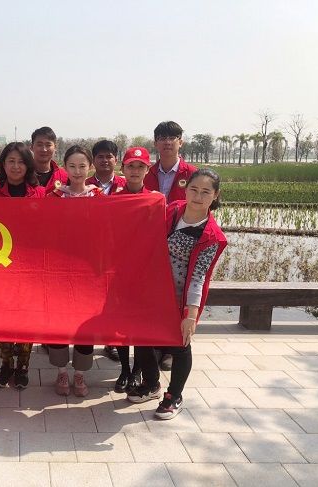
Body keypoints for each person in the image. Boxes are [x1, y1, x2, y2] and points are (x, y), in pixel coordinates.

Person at [127, 169, 227, 419]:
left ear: (215, 196)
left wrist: (190, 315)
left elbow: (199, 277)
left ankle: (174, 395)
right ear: (185, 189)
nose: (198, 196)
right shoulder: (172, 210)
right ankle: (151, 384)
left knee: (180, 345)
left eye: (205, 192)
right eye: (194, 189)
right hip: (150, 292)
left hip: (177, 299)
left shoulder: (210, 236)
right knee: (142, 338)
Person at [0, 142, 44, 388]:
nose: (16, 166)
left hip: (30, 267)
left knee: (26, 318)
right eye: (11, 161)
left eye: (21, 161)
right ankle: (6, 364)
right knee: (4, 318)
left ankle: (23, 366)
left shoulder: (39, 193)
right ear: (2, 164)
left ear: (28, 165)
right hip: (2, 266)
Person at [143, 121, 197, 371]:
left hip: (181, 243)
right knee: (153, 293)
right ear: (155, 143)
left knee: (177, 294)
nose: (167, 142)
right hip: (150, 243)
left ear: (180, 142)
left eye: (172, 137)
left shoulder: (192, 174)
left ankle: (172, 348)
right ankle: (155, 342)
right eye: (162, 138)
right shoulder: (147, 173)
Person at [47, 145, 99, 397]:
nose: (77, 171)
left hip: (89, 272)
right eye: (72, 166)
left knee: (85, 323)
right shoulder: (54, 197)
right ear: (64, 167)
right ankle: (61, 372)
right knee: (58, 320)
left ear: (90, 167)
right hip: (59, 270)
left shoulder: (100, 197)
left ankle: (79, 373)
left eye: (82, 166)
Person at [111, 146, 153, 393]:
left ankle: (137, 371)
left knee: (139, 324)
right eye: (130, 166)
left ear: (147, 170)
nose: (135, 171)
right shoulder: (113, 199)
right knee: (121, 322)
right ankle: (124, 370)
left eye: (140, 167)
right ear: (123, 169)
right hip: (118, 272)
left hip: (144, 272)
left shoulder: (155, 199)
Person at [87, 140, 127, 362]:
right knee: (90, 294)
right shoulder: (84, 185)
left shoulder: (126, 184)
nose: (104, 160)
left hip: (119, 250)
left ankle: (112, 341)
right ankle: (87, 336)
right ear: (93, 160)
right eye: (100, 156)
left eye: (109, 156)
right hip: (90, 250)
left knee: (114, 297)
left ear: (116, 160)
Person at [30, 126, 68, 194]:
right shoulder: (22, 174)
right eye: (39, 145)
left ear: (55, 147)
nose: (44, 149)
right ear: (32, 147)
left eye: (48, 145)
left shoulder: (64, 176)